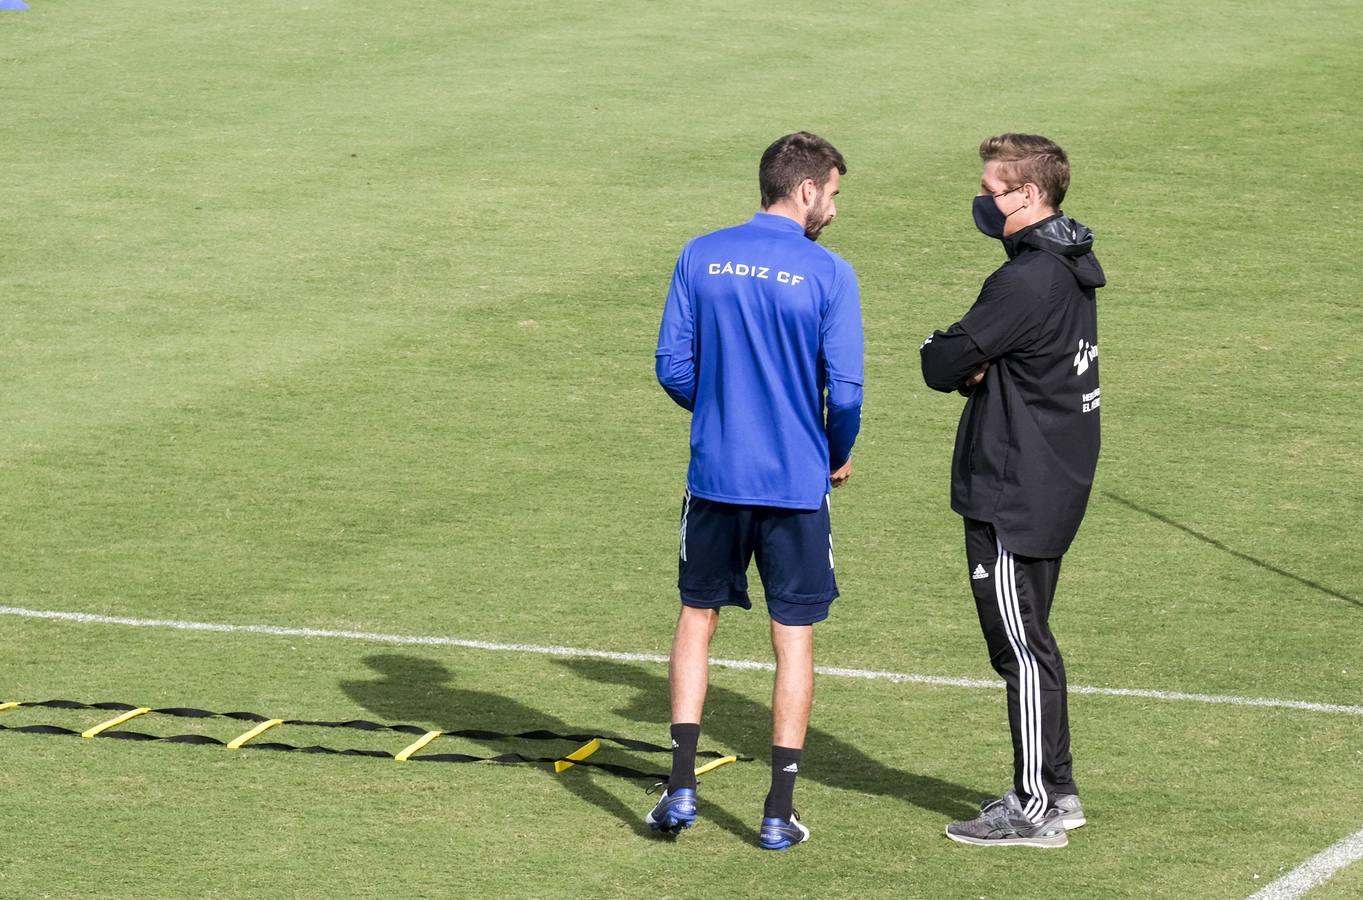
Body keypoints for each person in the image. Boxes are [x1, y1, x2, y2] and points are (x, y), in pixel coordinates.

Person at [648, 132, 864, 850]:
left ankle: (680, 788)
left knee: (695, 618)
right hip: (795, 484)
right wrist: (833, 452)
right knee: (791, 635)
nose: (833, 206)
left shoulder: (698, 253)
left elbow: (672, 365)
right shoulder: (830, 272)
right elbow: (850, 391)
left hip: (714, 476)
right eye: (831, 193)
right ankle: (776, 812)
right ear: (804, 190)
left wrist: (718, 411)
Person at [919, 133, 1104, 849]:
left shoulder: (1024, 282)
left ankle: (1032, 808)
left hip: (1011, 491)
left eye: (992, 190)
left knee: (1020, 651)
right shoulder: (1069, 265)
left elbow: (942, 362)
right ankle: (1057, 791)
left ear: (1029, 196)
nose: (982, 201)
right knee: (1033, 641)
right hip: (1052, 482)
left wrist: (963, 360)